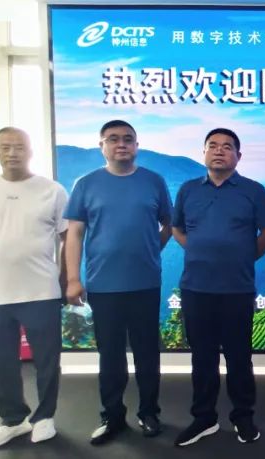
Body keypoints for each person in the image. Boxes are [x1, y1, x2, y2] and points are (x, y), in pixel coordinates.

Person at [64, 120, 172, 445]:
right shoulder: (86, 184)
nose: (121, 144)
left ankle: (149, 413)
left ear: (136, 145)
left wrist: (152, 249)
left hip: (145, 283)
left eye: (127, 139)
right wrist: (73, 278)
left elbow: (169, 224)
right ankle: (112, 417)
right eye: (113, 139)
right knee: (110, 356)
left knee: (147, 354)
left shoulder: (153, 181)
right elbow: (74, 233)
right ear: (102, 146)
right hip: (103, 285)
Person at [171, 128, 265, 446]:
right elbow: (177, 228)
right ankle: (204, 418)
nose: (219, 151)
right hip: (196, 288)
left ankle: (243, 417)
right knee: (202, 358)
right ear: (203, 153)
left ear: (238, 156)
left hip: (236, 288)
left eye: (227, 147)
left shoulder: (253, 191)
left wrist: (244, 256)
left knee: (239, 357)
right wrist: (197, 250)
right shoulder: (188, 190)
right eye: (213, 146)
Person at [0, 127, 67, 450]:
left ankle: (45, 417)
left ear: (30, 151)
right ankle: (12, 420)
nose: (12, 153)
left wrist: (65, 279)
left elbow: (67, 238)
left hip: (41, 292)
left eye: (19, 147)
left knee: (47, 361)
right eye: (5, 147)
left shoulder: (52, 191)